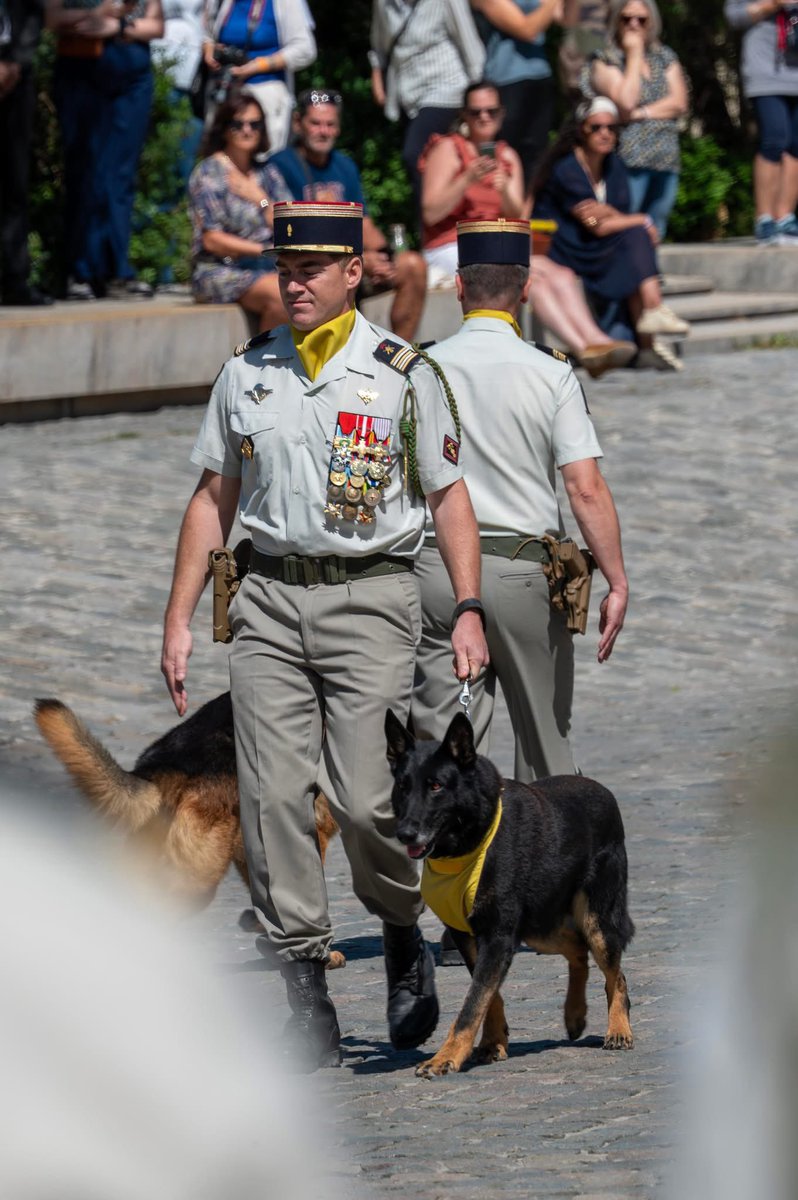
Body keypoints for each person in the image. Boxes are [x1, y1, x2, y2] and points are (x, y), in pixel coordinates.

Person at [160, 200, 490, 1072]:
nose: (294, 280)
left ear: (354, 274)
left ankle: (401, 932)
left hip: (370, 598)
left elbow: (450, 495)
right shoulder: (248, 373)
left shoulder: (404, 373)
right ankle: (305, 992)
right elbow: (212, 499)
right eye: (285, 265)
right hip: (268, 601)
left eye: (312, 267)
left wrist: (466, 607)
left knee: (368, 799)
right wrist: (179, 620)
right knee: (270, 805)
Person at [412, 217, 628, 785]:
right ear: (526, 288)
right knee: (546, 755)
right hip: (527, 574)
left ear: (458, 286)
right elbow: (585, 488)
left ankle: (444, 873)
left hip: (438, 572)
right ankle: (543, 871)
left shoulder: (423, 368)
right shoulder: (550, 373)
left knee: (441, 762)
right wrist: (617, 579)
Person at [533, 97, 690, 366]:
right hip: (567, 248)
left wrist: (619, 217)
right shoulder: (567, 169)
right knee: (637, 234)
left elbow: (611, 218)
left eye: (611, 128)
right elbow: (596, 225)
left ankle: (649, 331)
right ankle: (652, 319)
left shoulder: (614, 165)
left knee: (635, 238)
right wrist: (640, 219)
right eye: (597, 127)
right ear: (582, 129)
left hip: (598, 245)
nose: (605, 134)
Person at [269, 87, 427, 342]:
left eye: (330, 124)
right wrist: (363, 259)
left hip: (350, 264)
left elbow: (363, 222)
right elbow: (279, 225)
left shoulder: (344, 165)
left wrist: (384, 256)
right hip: (308, 268)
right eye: (316, 123)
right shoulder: (279, 165)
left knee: (413, 266)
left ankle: (402, 357)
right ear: (298, 124)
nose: (324, 131)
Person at [46, 0, 165, 301]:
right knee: (84, 173)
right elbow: (51, 18)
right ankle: (80, 271)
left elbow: (157, 24)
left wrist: (120, 25)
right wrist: (97, 15)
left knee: (120, 177)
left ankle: (115, 272)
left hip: (132, 79)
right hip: (82, 73)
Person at [581, 0, 688, 238]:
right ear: (615, 21)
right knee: (625, 225)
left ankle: (650, 274)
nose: (633, 24)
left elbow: (680, 102)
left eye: (641, 19)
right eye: (626, 18)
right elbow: (626, 101)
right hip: (629, 158)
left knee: (655, 229)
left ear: (652, 22)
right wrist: (635, 53)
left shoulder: (664, 56)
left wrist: (641, 113)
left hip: (666, 157)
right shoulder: (605, 58)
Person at [370, 0, 486, 214]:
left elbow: (469, 42)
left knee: (414, 153)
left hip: (447, 87)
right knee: (432, 164)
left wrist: (477, 99)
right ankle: (440, 223)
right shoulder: (383, 3)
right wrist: (378, 79)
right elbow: (379, 45)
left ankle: (432, 225)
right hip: (407, 95)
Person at [188, 90, 290, 328]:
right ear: (224, 128)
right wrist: (264, 249)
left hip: (268, 267)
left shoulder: (268, 172)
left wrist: (261, 199)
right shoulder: (209, 174)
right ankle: (266, 364)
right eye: (238, 124)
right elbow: (212, 240)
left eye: (254, 124)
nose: (247, 130)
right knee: (284, 293)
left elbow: (290, 224)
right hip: (219, 270)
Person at [419, 79, 525, 282]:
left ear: (501, 114)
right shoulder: (448, 149)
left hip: (497, 245)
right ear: (464, 115)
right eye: (476, 112)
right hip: (451, 245)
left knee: (553, 273)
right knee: (496, 271)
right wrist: (466, 179)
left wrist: (504, 192)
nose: (484, 117)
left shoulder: (508, 156)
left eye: (491, 111)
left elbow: (518, 218)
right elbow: (430, 213)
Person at [469, 0, 579, 188]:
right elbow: (527, 30)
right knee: (500, 154)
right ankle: (489, 207)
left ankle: (528, 213)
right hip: (504, 83)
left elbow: (567, 20)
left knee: (537, 158)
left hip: (540, 78)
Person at [725, 0, 798, 244]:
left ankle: (785, 218)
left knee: (795, 145)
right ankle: (764, 218)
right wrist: (773, 4)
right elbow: (734, 16)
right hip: (765, 74)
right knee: (775, 139)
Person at [201, 0, 316, 152]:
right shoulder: (222, 2)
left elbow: (305, 49)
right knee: (220, 154)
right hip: (225, 93)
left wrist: (259, 66)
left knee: (264, 160)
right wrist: (209, 47)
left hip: (267, 95)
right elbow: (205, 32)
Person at [0, 0, 51, 306]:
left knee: (14, 184)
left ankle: (13, 279)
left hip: (15, 83)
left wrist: (15, 63)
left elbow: (34, 14)